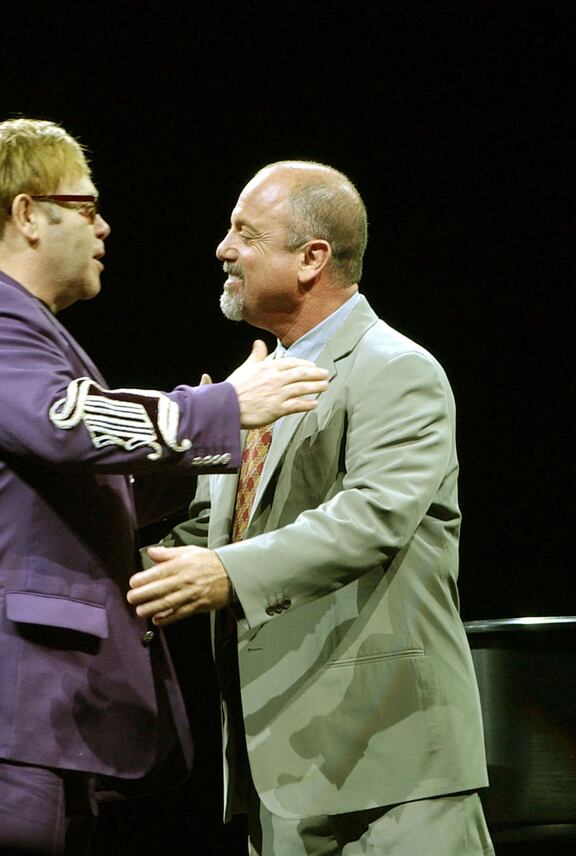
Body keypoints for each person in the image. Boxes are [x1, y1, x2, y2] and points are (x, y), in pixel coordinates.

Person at [0, 123, 330, 856]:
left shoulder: (22, 328)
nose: (104, 226)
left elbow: (77, 483)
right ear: (25, 214)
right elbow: (69, 422)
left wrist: (187, 460)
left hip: (33, 705)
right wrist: (222, 409)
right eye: (85, 208)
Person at [128, 161, 494, 855]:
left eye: (244, 233)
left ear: (311, 258)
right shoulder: (260, 383)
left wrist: (226, 575)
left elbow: (372, 516)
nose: (223, 249)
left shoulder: (395, 368)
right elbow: (200, 535)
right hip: (283, 774)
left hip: (391, 773)